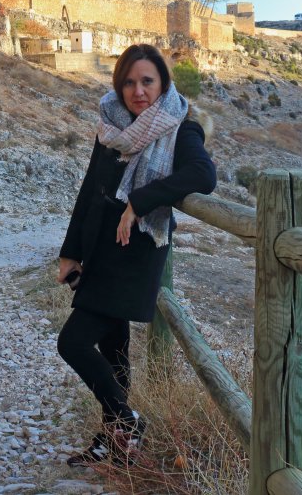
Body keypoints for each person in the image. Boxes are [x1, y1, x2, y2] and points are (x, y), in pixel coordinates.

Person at [56, 43, 217, 467]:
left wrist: (140, 200)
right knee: (113, 349)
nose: (137, 91)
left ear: (163, 82)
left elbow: (203, 175)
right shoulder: (111, 122)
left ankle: (127, 423)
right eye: (128, 81)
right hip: (100, 249)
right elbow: (91, 186)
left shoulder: (182, 126)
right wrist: (70, 252)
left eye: (147, 81)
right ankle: (112, 440)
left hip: (135, 253)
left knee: (71, 342)